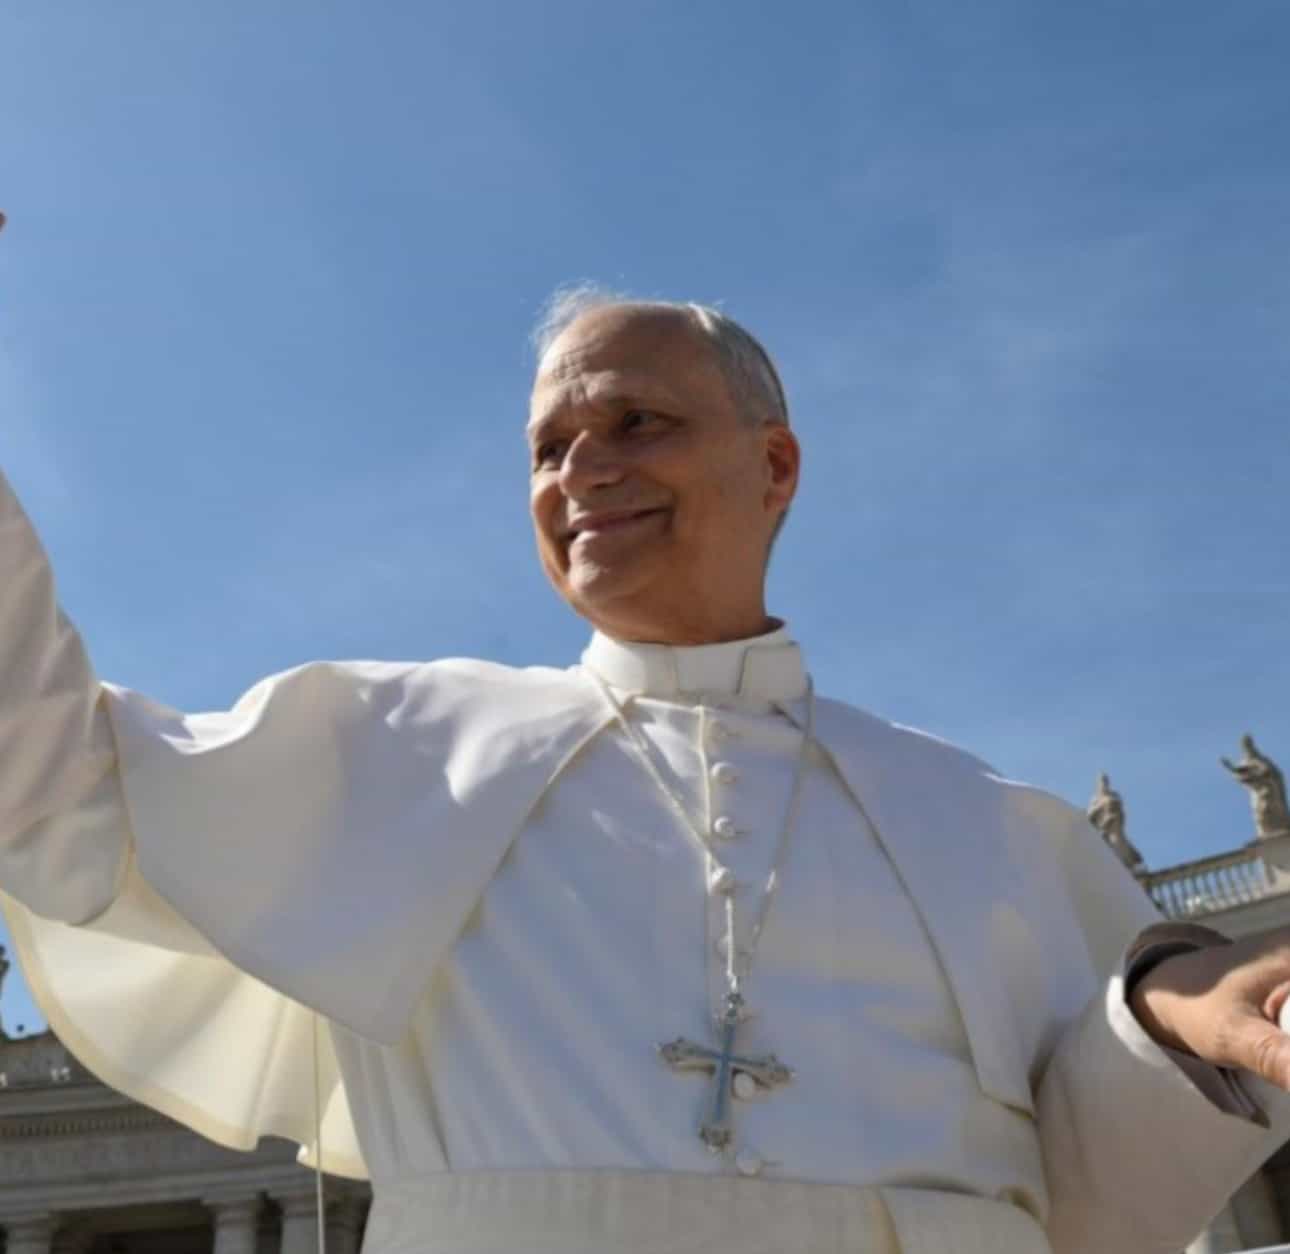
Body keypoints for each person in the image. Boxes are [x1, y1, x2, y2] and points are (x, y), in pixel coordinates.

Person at [4, 288, 1290, 1254]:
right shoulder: (388, 746)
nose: (581, 472)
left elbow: (1085, 1184)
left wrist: (1173, 1019)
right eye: (548, 447)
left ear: (775, 466)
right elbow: (52, 786)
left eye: (637, 421)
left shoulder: (986, 819)